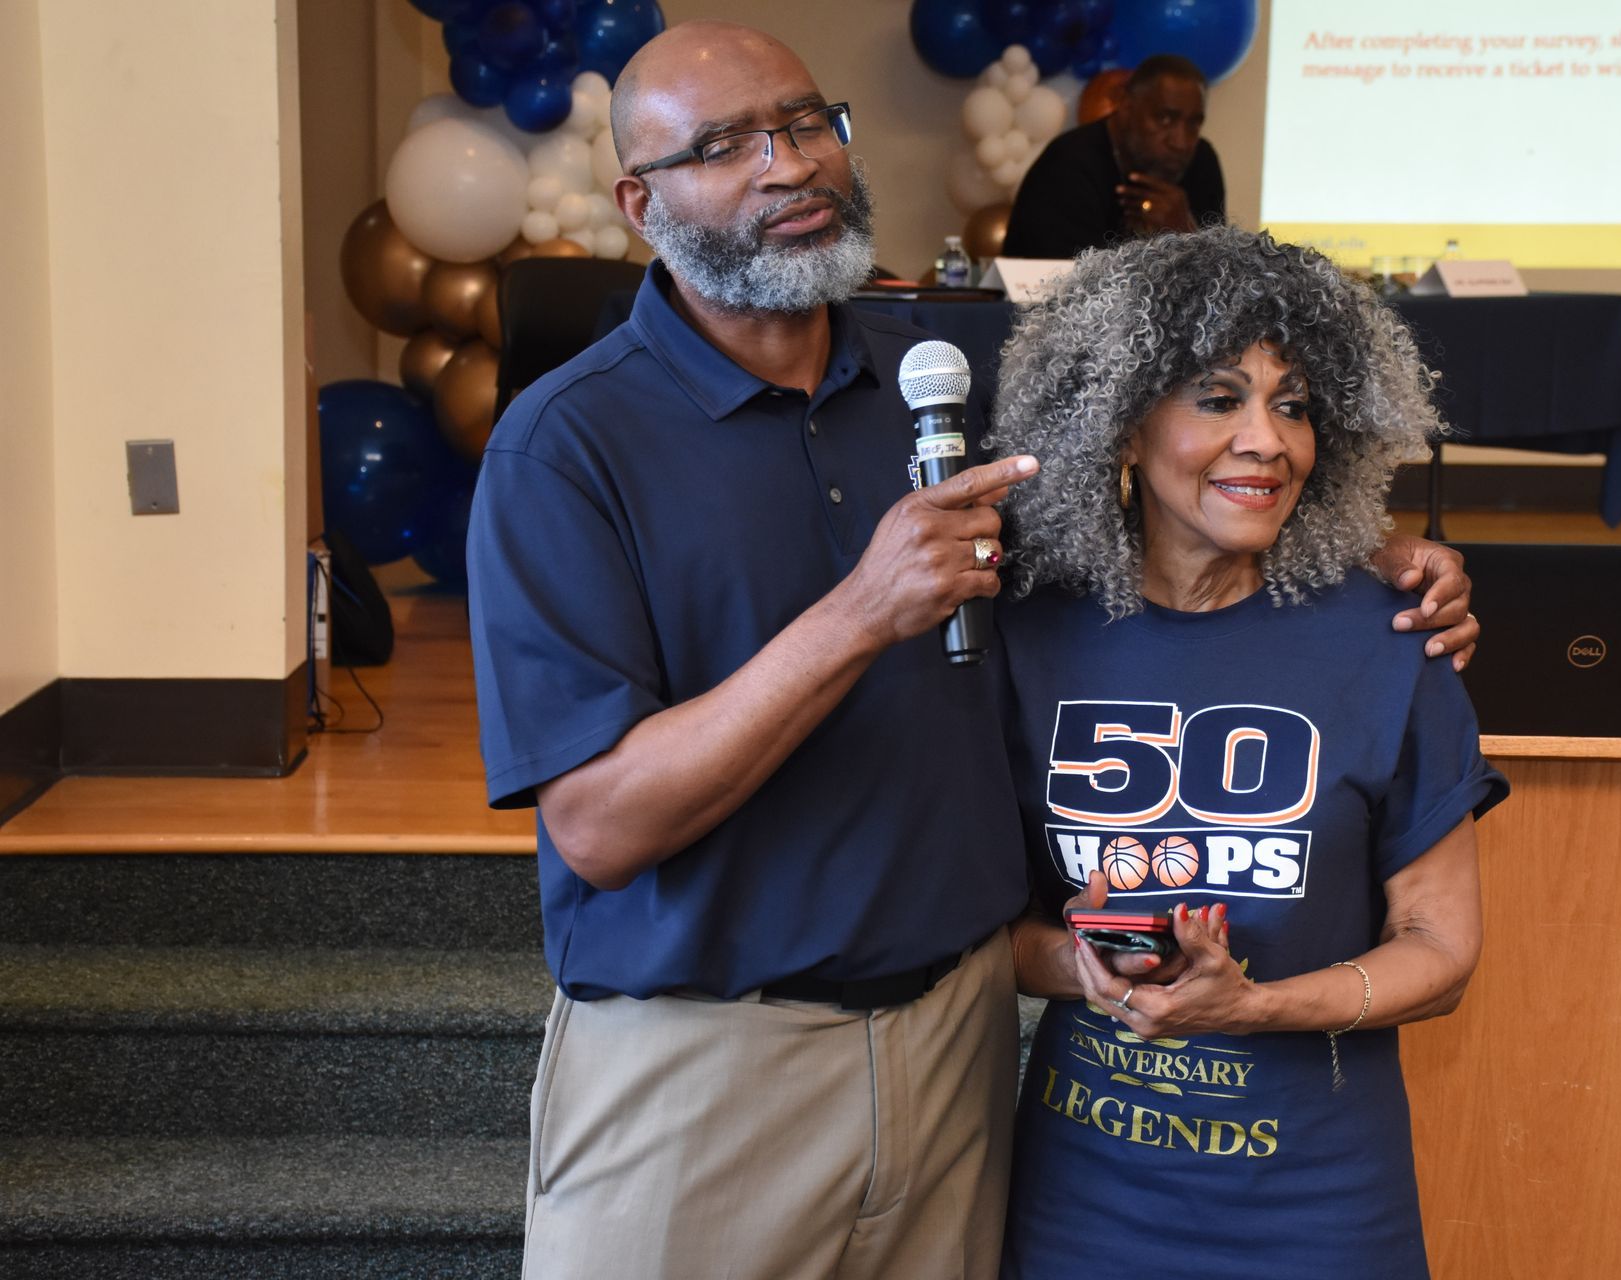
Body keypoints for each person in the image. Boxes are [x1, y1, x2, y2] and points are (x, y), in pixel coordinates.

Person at [466, 23, 1476, 1279]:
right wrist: (861, 609)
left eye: (806, 122)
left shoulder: (947, 390)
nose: (789, 163)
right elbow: (601, 826)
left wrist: (1363, 550)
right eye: (724, 146)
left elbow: (1176, 482)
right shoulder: (565, 448)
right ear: (640, 203)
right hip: (707, 1054)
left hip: (958, 1042)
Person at [986, 226, 1509, 1278]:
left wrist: (1255, 1007)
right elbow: (982, 931)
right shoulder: (1024, 637)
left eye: (1295, 405)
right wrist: (1088, 970)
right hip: (1083, 1200)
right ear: (1121, 425)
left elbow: (1441, 950)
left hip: (1319, 1206)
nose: (1267, 440)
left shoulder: (1390, 640)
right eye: (1219, 399)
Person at [1000, 54, 1223, 260]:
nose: (1181, 142)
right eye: (1164, 119)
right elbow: (1064, 281)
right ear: (1125, 105)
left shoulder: (1201, 162)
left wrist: (1187, 235)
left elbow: (1223, 280)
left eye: (1194, 124)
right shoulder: (1068, 165)